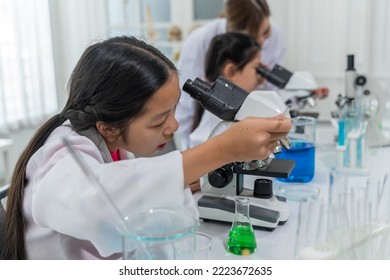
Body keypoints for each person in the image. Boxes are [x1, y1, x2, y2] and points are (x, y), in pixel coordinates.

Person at [1, 36, 291, 260]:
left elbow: (129, 192)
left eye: (174, 110)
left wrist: (177, 182)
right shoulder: (63, 152)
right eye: (158, 122)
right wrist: (221, 150)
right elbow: (99, 207)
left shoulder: (111, 143)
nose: (174, 126)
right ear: (109, 125)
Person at [175, 0, 328, 151]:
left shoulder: (275, 35)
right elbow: (185, 107)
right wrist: (188, 158)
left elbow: (274, 90)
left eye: (266, 32)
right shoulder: (200, 40)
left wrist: (300, 94)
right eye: (255, 37)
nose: (262, 41)